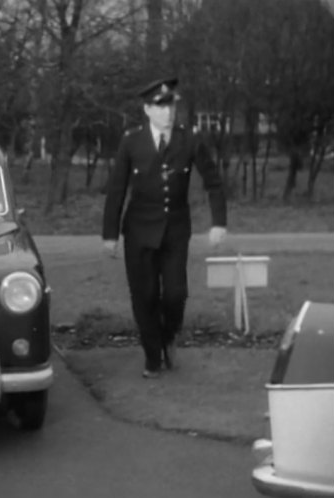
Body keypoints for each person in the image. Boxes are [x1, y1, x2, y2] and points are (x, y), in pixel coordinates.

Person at [102, 77, 228, 379]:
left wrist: (219, 223)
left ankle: (169, 336)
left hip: (174, 231)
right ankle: (153, 356)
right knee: (144, 296)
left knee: (175, 293)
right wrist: (110, 234)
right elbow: (117, 190)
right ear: (147, 110)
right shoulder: (131, 141)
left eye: (171, 105)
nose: (168, 112)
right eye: (161, 107)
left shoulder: (190, 140)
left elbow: (213, 183)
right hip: (139, 231)